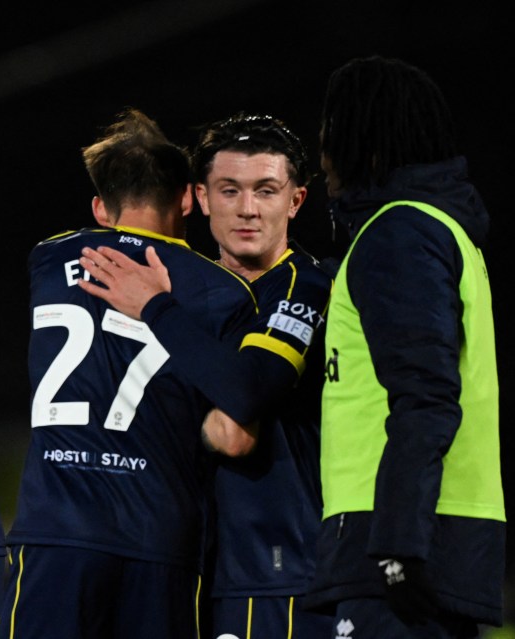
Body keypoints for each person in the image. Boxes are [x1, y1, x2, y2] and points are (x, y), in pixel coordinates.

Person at [0, 108, 256, 639]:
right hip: (157, 538)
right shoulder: (224, 292)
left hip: (54, 533)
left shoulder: (47, 260)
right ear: (187, 197)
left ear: (99, 207)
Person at [77, 113, 334, 638]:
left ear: (296, 201)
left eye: (266, 190)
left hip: (274, 567)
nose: (247, 209)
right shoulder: (186, 288)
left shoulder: (304, 286)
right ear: (200, 196)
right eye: (229, 189)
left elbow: (236, 425)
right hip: (188, 565)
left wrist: (156, 310)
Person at [303, 55, 506, 637]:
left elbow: (426, 395)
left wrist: (395, 545)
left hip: (397, 546)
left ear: (363, 144)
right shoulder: (442, 233)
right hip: (435, 534)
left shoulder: (397, 233)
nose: (322, 160)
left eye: (330, 138)